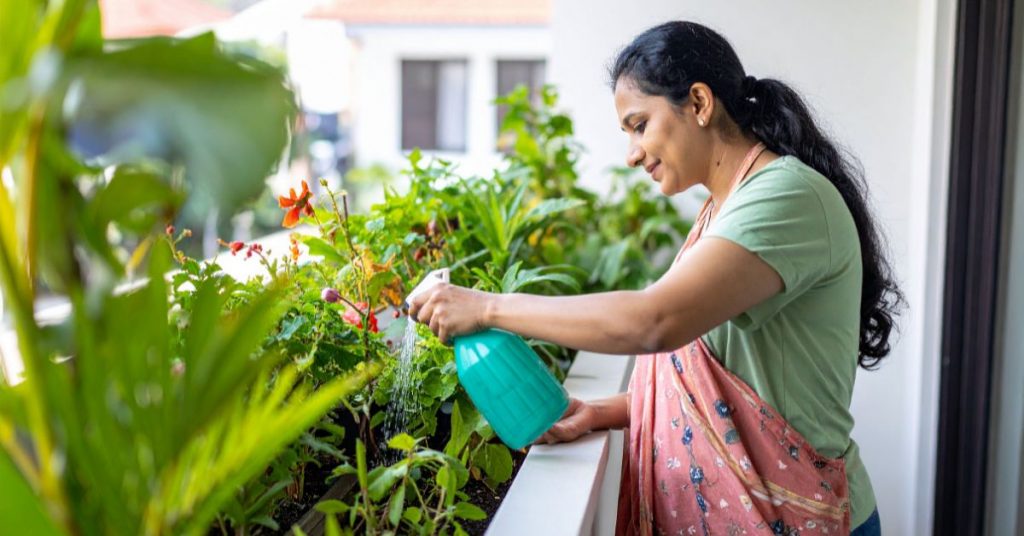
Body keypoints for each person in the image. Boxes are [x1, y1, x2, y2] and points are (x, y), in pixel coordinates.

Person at [408, 20, 899, 536]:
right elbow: (720, 383)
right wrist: (602, 412)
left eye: (639, 124)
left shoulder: (786, 197)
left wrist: (486, 307)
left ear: (700, 104)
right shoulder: (724, 207)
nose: (633, 153)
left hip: (796, 518)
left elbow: (654, 319)